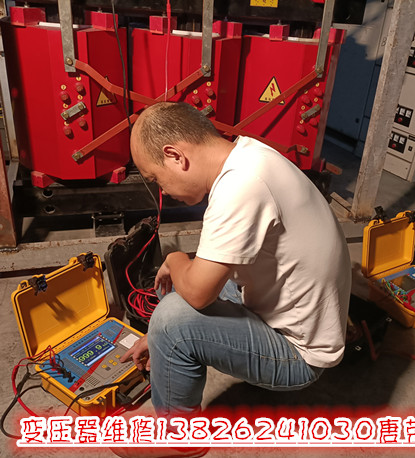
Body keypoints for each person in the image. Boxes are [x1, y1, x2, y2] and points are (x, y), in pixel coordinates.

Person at [119, 101, 351, 454]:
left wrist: (175, 258)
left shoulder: (241, 186)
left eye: (156, 179)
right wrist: (158, 335)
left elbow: (198, 294)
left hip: (300, 355)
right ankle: (167, 349)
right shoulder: (250, 156)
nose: (162, 191)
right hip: (289, 310)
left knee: (173, 314)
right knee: (182, 286)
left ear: (175, 156)